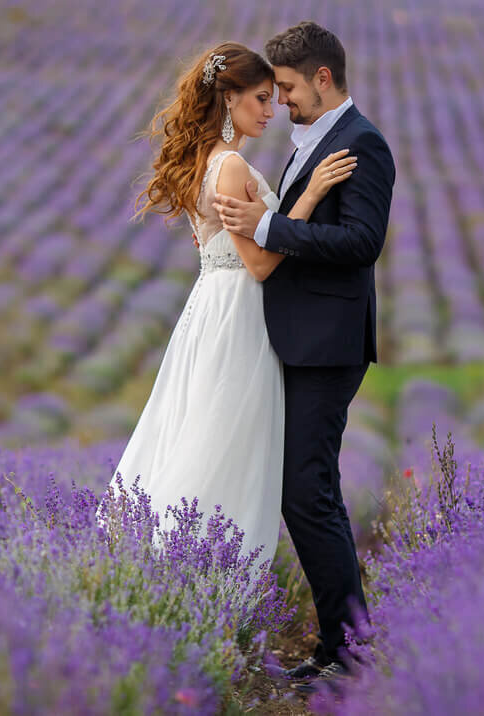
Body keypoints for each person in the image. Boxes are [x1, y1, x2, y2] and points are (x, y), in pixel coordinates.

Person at [99, 40, 357, 578]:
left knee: (206, 433)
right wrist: (309, 196)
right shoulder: (232, 164)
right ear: (228, 99)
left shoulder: (205, 161)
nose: (271, 109)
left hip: (211, 306)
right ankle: (194, 579)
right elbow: (261, 265)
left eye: (274, 97)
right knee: (223, 443)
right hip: (239, 311)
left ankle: (169, 575)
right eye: (261, 98)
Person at [213, 21, 395, 695]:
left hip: (327, 344)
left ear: (323, 78)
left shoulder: (362, 142)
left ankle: (349, 653)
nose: (282, 100)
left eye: (288, 88)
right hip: (296, 337)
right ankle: (340, 645)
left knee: (306, 492)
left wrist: (265, 225)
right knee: (306, 492)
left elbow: (362, 242)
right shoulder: (313, 142)